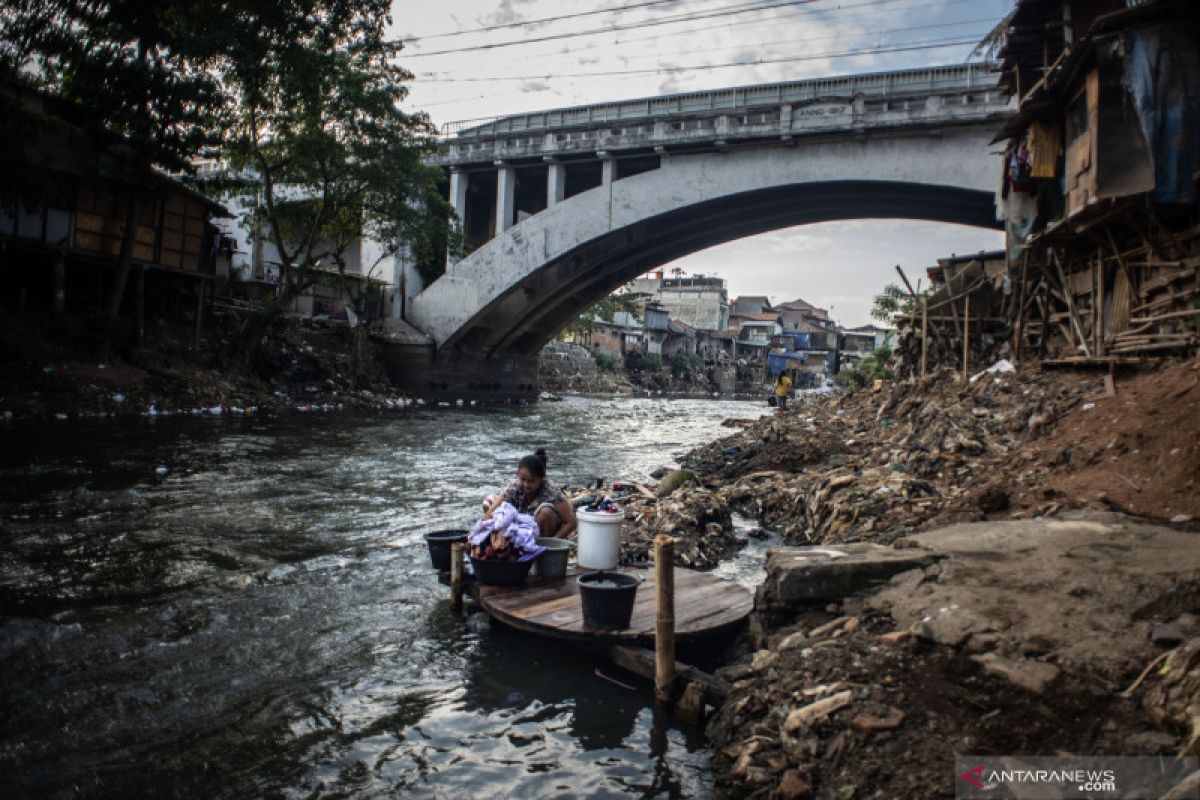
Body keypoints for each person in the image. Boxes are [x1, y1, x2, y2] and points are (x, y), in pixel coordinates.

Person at [485, 448, 578, 538]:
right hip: (521, 526)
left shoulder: (552, 491)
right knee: (489, 502)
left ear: (541, 479)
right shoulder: (514, 487)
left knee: (546, 513)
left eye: (531, 481)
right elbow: (490, 513)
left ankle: (542, 546)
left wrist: (554, 541)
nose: (526, 484)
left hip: (543, 529)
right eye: (523, 479)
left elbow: (571, 523)